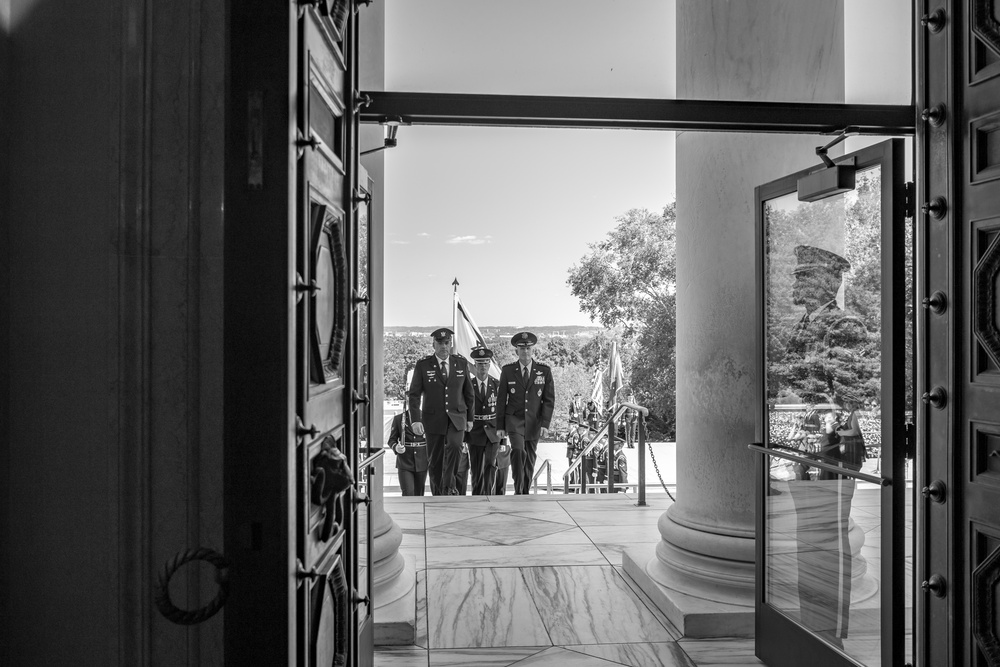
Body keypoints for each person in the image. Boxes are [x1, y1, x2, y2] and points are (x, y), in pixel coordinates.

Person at [406, 328, 475, 496]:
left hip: (457, 418)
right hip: (433, 419)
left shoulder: (461, 363)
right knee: (435, 460)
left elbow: (469, 393)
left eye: (447, 343)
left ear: (450, 344)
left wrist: (470, 418)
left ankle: (449, 487)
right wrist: (415, 420)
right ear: (433, 344)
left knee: (455, 445)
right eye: (440, 343)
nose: (444, 346)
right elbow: (414, 395)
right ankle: (438, 492)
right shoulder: (423, 365)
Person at [496, 331, 555, 495]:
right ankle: (518, 487)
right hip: (514, 420)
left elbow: (548, 399)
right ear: (516, 351)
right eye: (521, 349)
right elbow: (501, 400)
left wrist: (545, 423)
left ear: (532, 350)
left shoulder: (544, 371)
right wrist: (500, 426)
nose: (525, 352)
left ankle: (525, 489)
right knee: (518, 450)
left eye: (528, 348)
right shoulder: (508, 371)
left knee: (529, 457)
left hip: (534, 421)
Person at [465, 346, 502, 495]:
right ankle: (476, 495)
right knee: (476, 467)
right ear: (475, 365)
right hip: (475, 432)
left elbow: (502, 410)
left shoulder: (497, 385)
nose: (483, 367)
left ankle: (488, 495)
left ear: (489, 365)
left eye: (486, 364)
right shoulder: (468, 386)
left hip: (493, 432)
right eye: (480, 364)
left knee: (490, 465)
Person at [386, 410, 428, 496]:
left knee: (419, 494)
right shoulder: (399, 418)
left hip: (422, 461)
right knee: (408, 493)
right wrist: (396, 447)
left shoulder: (426, 417)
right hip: (405, 461)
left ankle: (418, 510)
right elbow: (391, 440)